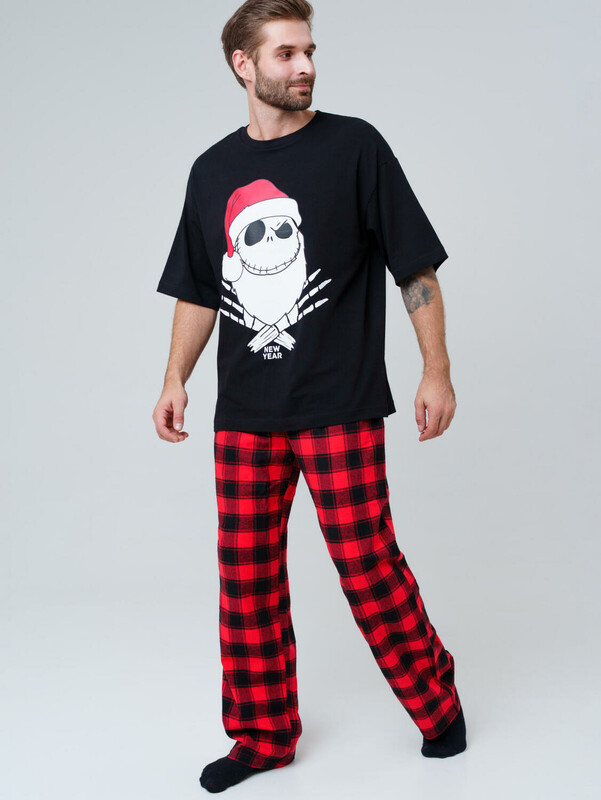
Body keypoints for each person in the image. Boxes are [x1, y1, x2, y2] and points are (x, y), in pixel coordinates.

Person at [152, 0, 467, 793]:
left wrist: (435, 370)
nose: (305, 67)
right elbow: (198, 287)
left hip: (339, 402)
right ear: (242, 65)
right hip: (245, 414)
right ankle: (262, 737)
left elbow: (414, 267)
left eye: (309, 51)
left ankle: (437, 706)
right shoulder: (211, 171)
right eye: (286, 53)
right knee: (246, 580)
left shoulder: (355, 147)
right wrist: (174, 377)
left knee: (366, 567)